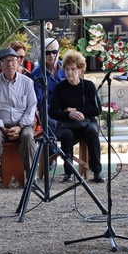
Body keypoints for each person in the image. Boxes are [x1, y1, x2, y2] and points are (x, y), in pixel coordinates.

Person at [0, 47, 36, 190]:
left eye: (13, 61)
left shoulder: (27, 83)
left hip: (22, 125)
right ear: (0, 65)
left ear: (18, 62)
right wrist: (4, 129)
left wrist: (20, 126)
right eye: (6, 62)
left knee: (28, 137)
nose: (10, 64)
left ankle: (31, 178)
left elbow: (31, 108)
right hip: (1, 126)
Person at [48, 51, 104, 183]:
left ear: (80, 70)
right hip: (67, 124)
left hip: (86, 123)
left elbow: (97, 109)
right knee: (66, 135)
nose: (69, 72)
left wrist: (77, 110)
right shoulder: (59, 87)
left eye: (73, 69)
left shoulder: (88, 86)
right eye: (67, 69)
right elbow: (52, 112)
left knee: (92, 132)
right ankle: (69, 173)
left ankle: (97, 171)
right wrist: (69, 114)